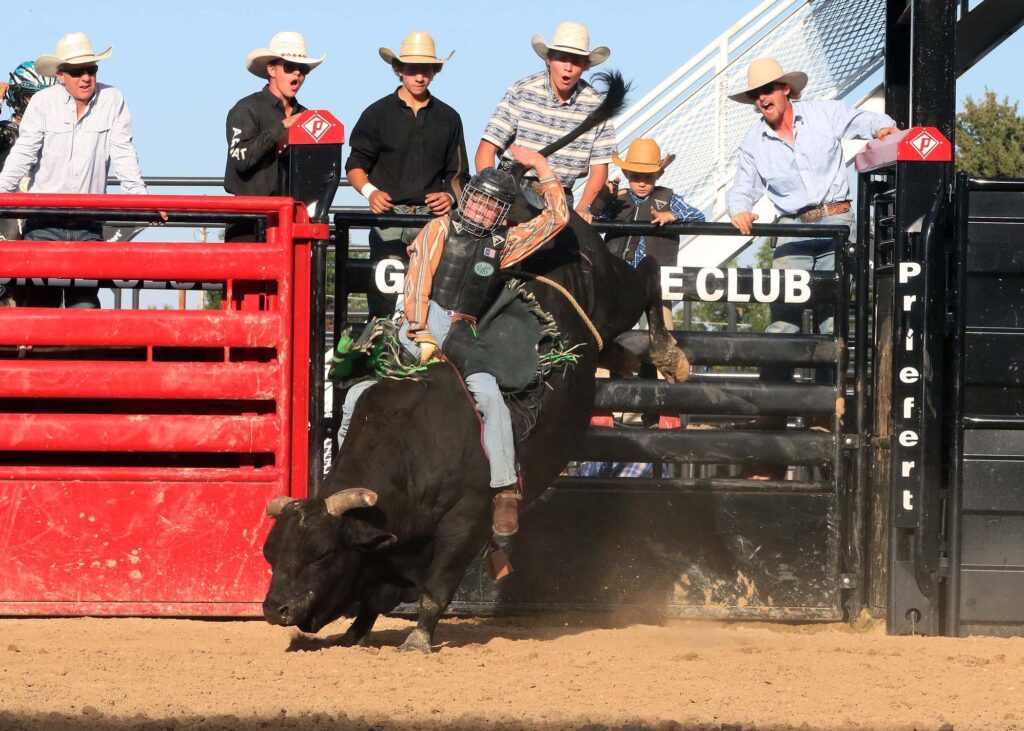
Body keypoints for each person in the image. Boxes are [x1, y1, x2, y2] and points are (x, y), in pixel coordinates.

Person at [339, 145, 569, 537]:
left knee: (490, 396)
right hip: (425, 320)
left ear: (501, 213)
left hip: (465, 334)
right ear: (468, 197)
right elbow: (416, 286)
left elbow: (557, 219)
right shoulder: (439, 228)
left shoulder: (503, 244)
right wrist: (422, 334)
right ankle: (342, 474)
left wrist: (542, 166)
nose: (482, 210)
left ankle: (505, 489)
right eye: (478, 200)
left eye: (492, 206)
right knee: (357, 396)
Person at [726, 56, 898, 478]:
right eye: (756, 94)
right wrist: (740, 209)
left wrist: (883, 127)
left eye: (768, 89)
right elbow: (741, 187)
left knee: (830, 323)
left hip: (837, 223)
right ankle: (772, 416)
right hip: (794, 228)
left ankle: (827, 412)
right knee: (782, 323)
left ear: (786, 89)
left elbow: (864, 120)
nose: (762, 98)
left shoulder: (824, 113)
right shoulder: (753, 142)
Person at [0, 33, 153, 309]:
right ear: (61, 75)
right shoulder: (43, 103)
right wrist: (2, 192)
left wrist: (141, 199)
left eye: (91, 69)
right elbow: (23, 154)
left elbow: (124, 154)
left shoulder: (112, 99)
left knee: (85, 309)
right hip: (43, 225)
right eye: (77, 71)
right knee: (40, 311)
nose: (85, 78)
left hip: (87, 226)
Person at [346, 30, 470, 319]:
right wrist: (371, 193)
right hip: (388, 220)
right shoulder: (376, 114)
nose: (419, 76)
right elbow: (354, 165)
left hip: (433, 222)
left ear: (435, 71)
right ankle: (382, 343)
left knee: (434, 301)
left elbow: (459, 174)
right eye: (413, 69)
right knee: (384, 302)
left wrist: (449, 197)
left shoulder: (449, 118)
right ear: (398, 69)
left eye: (426, 69)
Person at [475, 21, 615, 222]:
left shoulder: (597, 106)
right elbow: (485, 151)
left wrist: (582, 211)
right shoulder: (522, 92)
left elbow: (599, 171)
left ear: (585, 66)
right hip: (514, 190)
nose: (568, 67)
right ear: (549, 59)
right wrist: (493, 199)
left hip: (561, 197)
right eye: (562, 58)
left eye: (576, 61)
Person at [224, 32, 324, 242]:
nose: (297, 73)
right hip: (248, 222)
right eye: (289, 67)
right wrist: (282, 127)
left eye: (303, 69)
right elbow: (241, 160)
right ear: (271, 70)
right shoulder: (246, 109)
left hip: (292, 222)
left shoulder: (306, 116)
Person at [591, 137, 705, 269]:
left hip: (657, 274)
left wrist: (671, 215)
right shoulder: (617, 200)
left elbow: (699, 217)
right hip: (618, 273)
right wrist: (604, 199)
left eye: (648, 177)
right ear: (625, 173)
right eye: (635, 176)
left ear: (659, 174)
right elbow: (593, 219)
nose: (642, 183)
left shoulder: (669, 198)